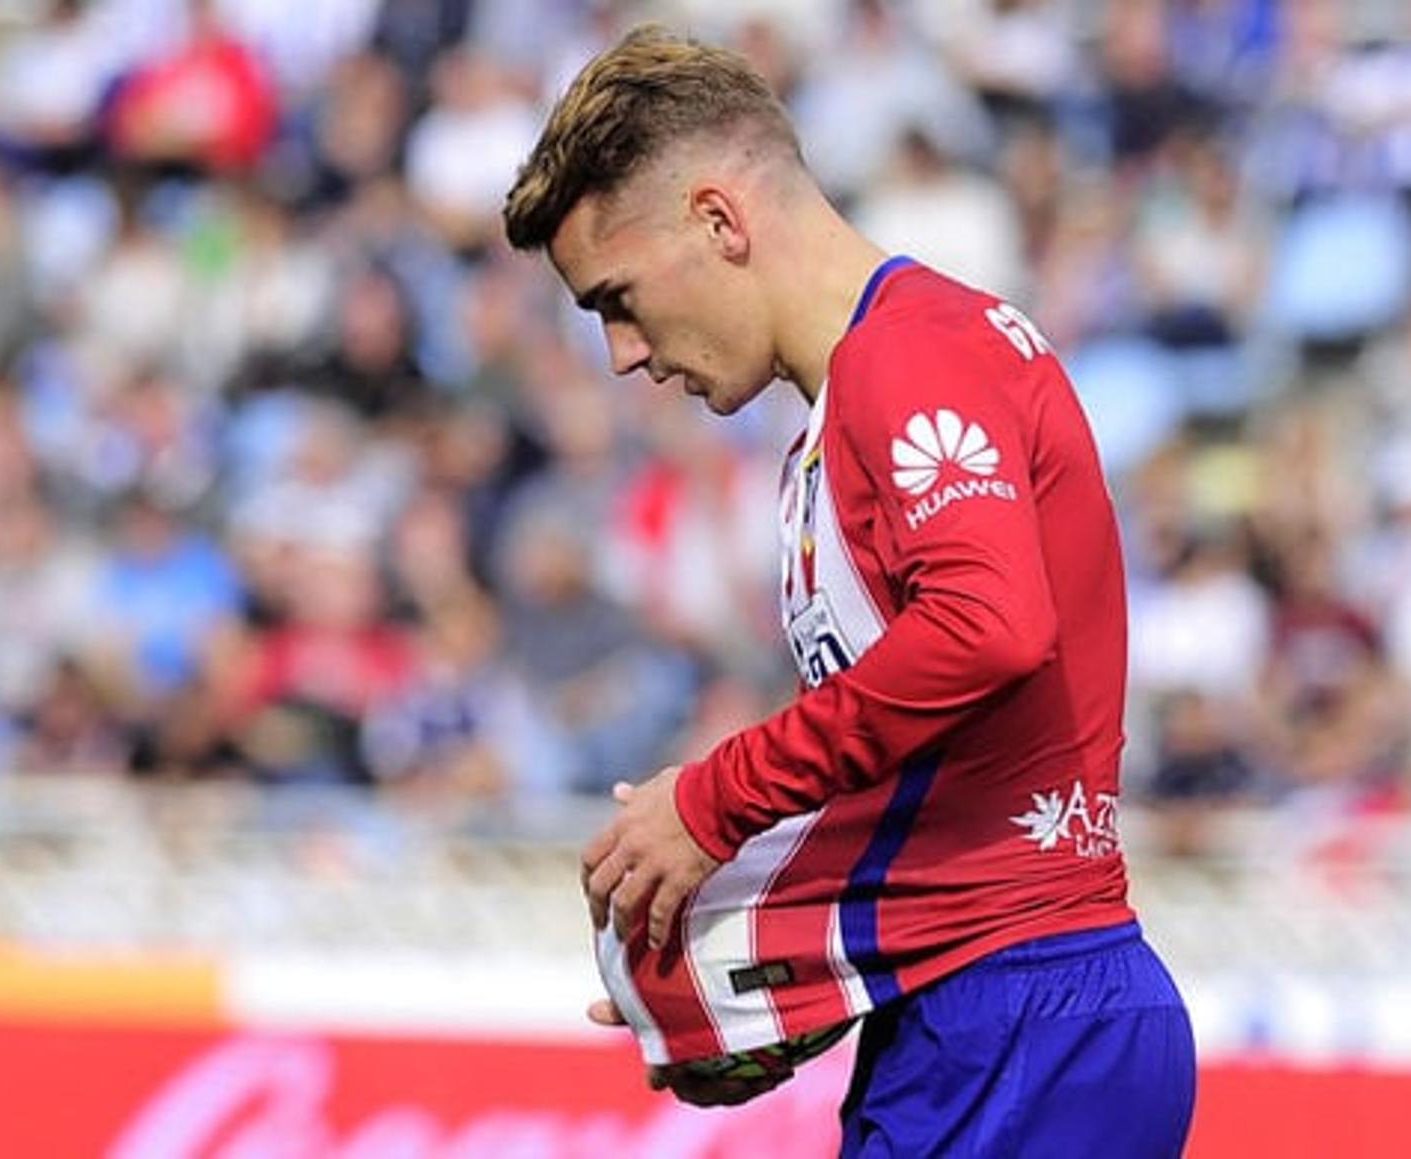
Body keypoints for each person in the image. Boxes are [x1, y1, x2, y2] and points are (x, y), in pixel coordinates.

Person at [502, 24, 1196, 1156]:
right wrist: (770, 978)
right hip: (980, 1013)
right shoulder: (860, 396)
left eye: (616, 297)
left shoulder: (910, 358)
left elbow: (989, 629)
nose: (623, 352)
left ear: (720, 220)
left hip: (1023, 1016)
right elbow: (951, 761)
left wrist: (718, 796)